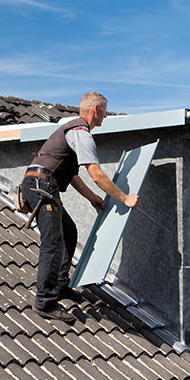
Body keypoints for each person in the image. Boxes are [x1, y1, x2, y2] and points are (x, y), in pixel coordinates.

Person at [21, 92, 140, 323]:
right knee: (52, 242)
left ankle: (60, 286)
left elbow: (72, 175)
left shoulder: (71, 131)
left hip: (42, 183)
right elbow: (95, 174)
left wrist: (91, 197)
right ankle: (45, 301)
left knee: (69, 231)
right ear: (96, 110)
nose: (105, 116)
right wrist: (124, 198)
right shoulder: (81, 133)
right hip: (41, 185)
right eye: (104, 111)